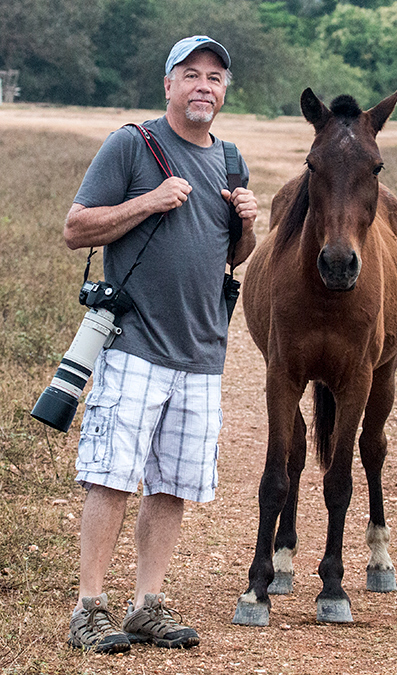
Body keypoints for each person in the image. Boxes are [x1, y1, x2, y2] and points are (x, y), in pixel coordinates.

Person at [63, 35, 257, 654]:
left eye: (216, 78)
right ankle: (89, 607)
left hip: (203, 352)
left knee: (173, 483)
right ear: (168, 85)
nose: (205, 86)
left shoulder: (230, 160)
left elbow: (231, 257)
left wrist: (248, 227)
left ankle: (147, 604)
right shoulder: (133, 144)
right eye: (192, 75)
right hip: (134, 343)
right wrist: (148, 201)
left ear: (224, 92)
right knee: (113, 477)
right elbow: (75, 229)